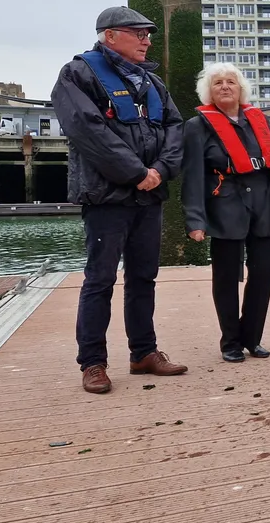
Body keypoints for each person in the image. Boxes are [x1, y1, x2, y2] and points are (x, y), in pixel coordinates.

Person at [51, 6, 188, 394]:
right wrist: (137, 173)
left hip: (151, 195)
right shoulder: (77, 74)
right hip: (107, 197)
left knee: (144, 277)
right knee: (100, 279)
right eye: (138, 33)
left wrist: (160, 171)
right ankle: (93, 362)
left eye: (148, 33)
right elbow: (86, 130)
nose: (147, 39)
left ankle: (143, 352)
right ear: (109, 36)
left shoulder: (152, 83)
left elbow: (175, 129)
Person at [182, 63, 270, 363]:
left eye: (231, 81)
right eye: (217, 83)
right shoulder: (196, 127)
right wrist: (195, 220)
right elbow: (192, 177)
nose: (225, 86)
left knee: (263, 273)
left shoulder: (259, 121)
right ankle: (230, 342)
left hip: (263, 207)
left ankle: (252, 338)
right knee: (227, 277)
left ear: (240, 88)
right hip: (225, 207)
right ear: (209, 91)